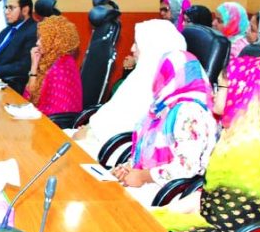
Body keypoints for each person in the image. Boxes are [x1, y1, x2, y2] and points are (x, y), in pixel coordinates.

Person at [153, 56, 260, 232]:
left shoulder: (253, 145)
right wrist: (169, 211)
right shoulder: (245, 132)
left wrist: (172, 215)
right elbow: (215, 199)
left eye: (220, 87)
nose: (213, 93)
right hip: (234, 230)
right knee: (147, 222)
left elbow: (228, 217)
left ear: (241, 92)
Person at [110, 50, 218, 207]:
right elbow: (147, 148)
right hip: (152, 182)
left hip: (171, 193)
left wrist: (143, 176)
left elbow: (186, 167)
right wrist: (129, 167)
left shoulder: (191, 111)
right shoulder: (165, 104)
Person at [74, 19, 186, 159]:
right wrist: (89, 127)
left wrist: (89, 132)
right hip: (100, 136)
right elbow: (113, 110)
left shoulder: (153, 86)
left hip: (112, 149)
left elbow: (124, 126)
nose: (132, 48)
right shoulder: (142, 73)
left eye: (137, 45)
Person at [24, 15, 81, 115]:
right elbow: (30, 95)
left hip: (55, 124)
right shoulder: (49, 60)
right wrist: (34, 65)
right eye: (39, 38)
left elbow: (54, 111)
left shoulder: (61, 67)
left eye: (43, 39)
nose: (37, 43)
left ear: (56, 41)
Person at [0, 0, 38, 93]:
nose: (6, 12)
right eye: (6, 7)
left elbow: (25, 64)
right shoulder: (7, 30)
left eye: (11, 8)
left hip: (11, 84)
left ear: (25, 10)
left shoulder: (33, 30)